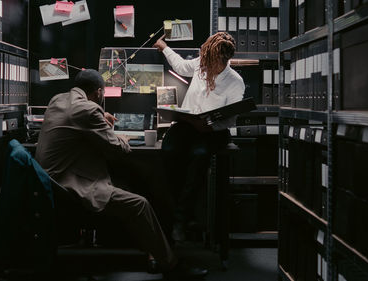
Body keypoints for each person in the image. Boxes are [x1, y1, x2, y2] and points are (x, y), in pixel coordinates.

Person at [35, 69, 208, 279]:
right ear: (99, 92)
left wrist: (99, 117)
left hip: (50, 183)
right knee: (140, 202)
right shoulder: (87, 110)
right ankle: (171, 265)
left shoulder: (58, 100)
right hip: (70, 189)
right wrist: (122, 136)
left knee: (133, 178)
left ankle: (155, 250)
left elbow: (79, 122)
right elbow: (119, 148)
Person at [153, 32, 245, 240]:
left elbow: (231, 118)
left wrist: (210, 126)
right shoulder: (201, 63)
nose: (205, 67)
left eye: (210, 63)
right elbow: (181, 67)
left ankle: (182, 219)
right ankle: (182, 213)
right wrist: (164, 48)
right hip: (188, 125)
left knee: (199, 157)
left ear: (223, 60)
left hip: (213, 131)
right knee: (168, 150)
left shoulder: (234, 81)